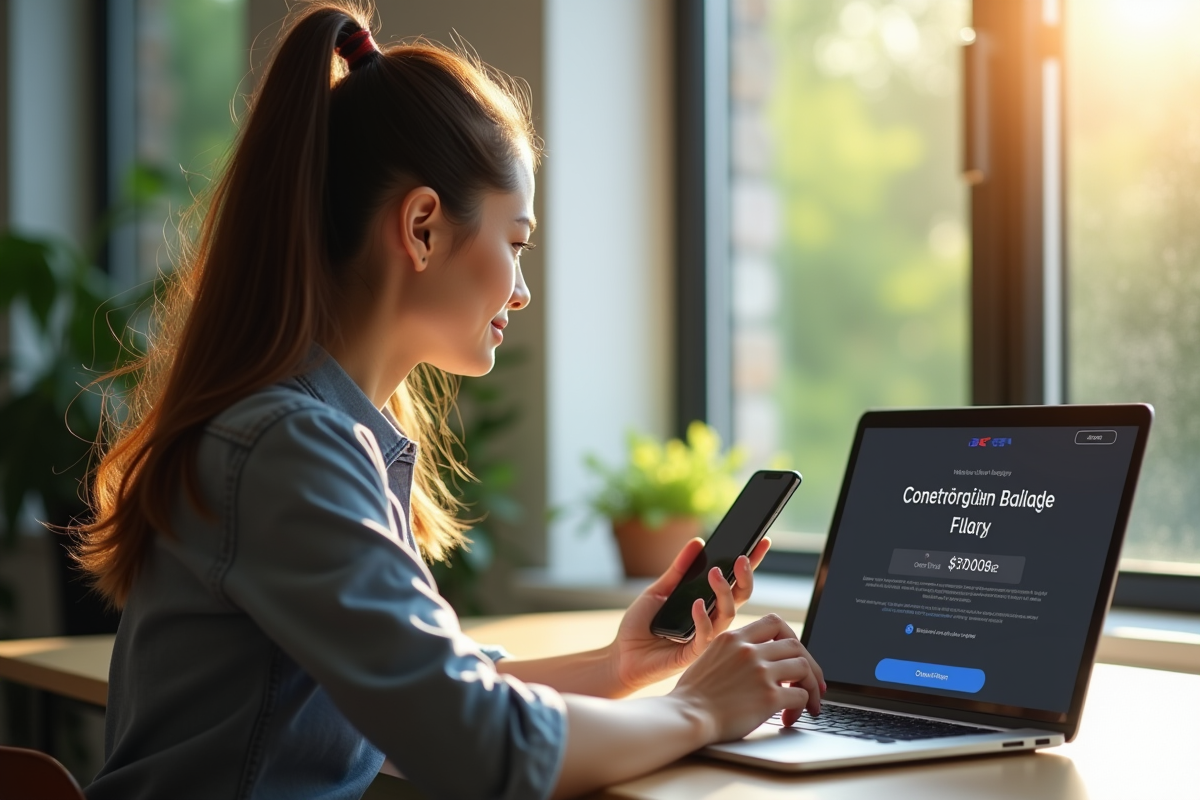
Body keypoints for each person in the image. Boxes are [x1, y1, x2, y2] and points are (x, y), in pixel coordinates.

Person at [75, 3, 825, 798]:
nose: (522, 290)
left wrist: (620, 665)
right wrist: (697, 711)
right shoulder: (288, 447)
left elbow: (433, 696)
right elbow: (476, 745)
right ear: (423, 227)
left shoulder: (310, 432)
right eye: (516, 243)